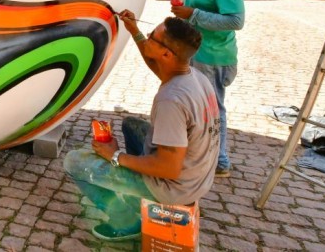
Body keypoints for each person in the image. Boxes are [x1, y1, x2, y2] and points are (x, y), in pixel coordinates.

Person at [63, 14, 220, 242]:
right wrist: (134, 30)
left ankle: (125, 222)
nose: (147, 37)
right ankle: (137, 192)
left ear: (166, 53)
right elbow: (155, 63)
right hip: (197, 175)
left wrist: (115, 156)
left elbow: (168, 168)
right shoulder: (193, 76)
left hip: (172, 187)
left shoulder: (171, 100)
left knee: (74, 161)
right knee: (131, 125)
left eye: (152, 37)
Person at [147, 0, 245, 177]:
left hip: (214, 57)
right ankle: (198, 151)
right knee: (197, 105)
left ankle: (220, 160)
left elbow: (235, 21)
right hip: (196, 52)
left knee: (212, 108)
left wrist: (194, 14)